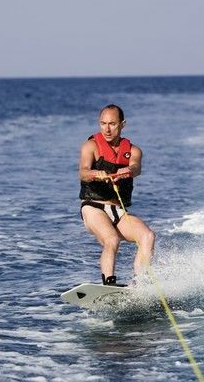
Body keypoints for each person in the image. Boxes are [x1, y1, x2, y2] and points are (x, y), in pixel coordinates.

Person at [79, 104, 155, 286]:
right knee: (111, 239)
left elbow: (136, 167)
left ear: (123, 124)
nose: (106, 128)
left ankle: (139, 283)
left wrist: (127, 170)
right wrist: (96, 174)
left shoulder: (133, 151)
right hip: (93, 207)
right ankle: (109, 283)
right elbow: (83, 171)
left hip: (117, 210)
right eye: (103, 123)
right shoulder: (91, 146)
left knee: (147, 236)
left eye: (112, 124)